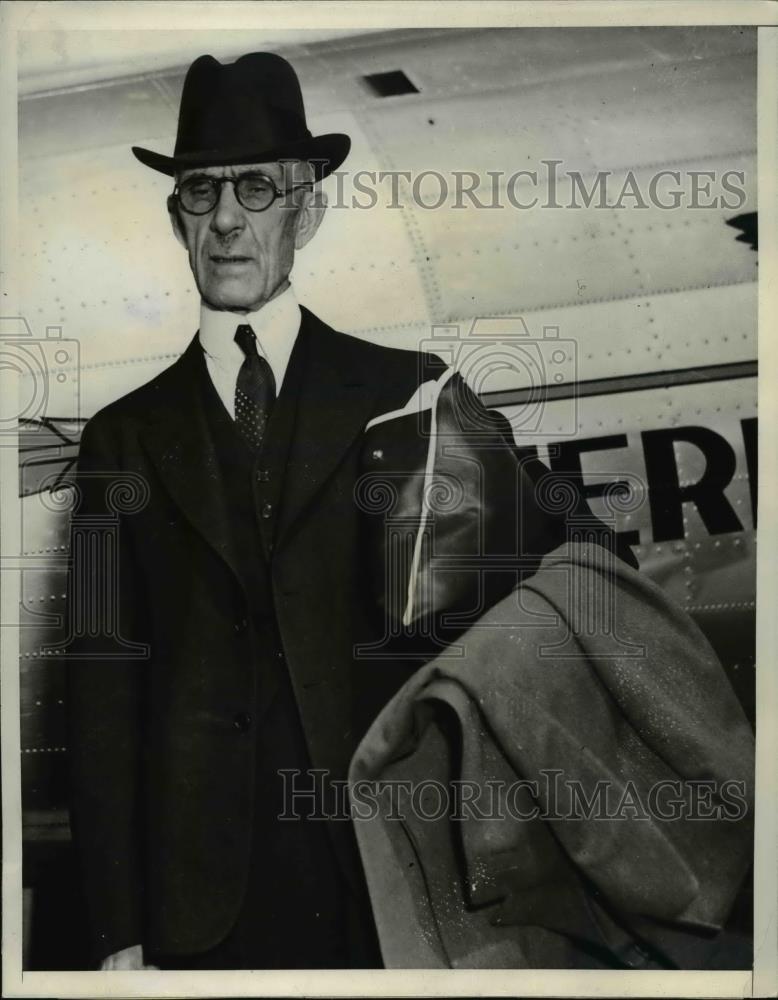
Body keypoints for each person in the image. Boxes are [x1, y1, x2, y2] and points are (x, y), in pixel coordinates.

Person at [65, 51, 635, 972]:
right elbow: (103, 696)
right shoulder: (119, 440)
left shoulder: (412, 392)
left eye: (257, 189)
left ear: (309, 209)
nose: (227, 221)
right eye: (200, 193)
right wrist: (117, 931)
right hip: (203, 907)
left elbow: (578, 566)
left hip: (396, 874)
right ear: (176, 220)